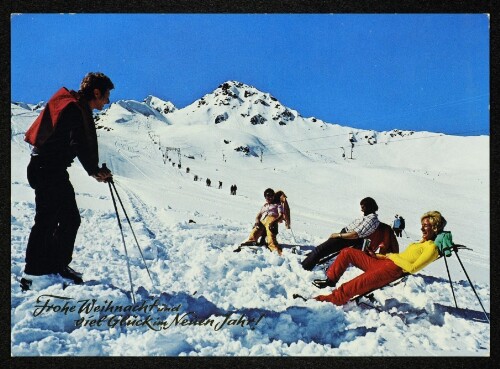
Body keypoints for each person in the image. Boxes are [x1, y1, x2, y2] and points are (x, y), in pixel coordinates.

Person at [22, 72, 114, 285]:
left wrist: (94, 170)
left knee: (60, 219)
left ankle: (48, 266)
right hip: (47, 170)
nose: (107, 101)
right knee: (52, 220)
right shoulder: (74, 110)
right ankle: (37, 271)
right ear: (96, 92)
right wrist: (93, 170)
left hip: (47, 168)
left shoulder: (74, 106)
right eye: (106, 96)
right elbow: (78, 143)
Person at [313, 211, 445, 305]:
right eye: (422, 225)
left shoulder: (431, 248)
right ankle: (330, 279)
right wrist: (378, 256)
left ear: (435, 227)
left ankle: (332, 300)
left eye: (426, 226)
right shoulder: (421, 243)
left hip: (391, 271)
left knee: (353, 285)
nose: (422, 228)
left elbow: (412, 268)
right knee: (347, 252)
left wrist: (391, 256)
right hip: (385, 263)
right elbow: (400, 257)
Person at [301, 197, 380, 270]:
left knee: (320, 250)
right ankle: (310, 259)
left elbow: (355, 234)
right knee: (323, 249)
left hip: (347, 238)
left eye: (363, 207)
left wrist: (339, 235)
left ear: (369, 207)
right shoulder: (369, 217)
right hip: (346, 236)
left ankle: (304, 267)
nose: (361, 210)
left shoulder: (371, 219)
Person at [241, 188, 284, 255]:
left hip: (272, 218)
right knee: (256, 229)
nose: (269, 198)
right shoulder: (265, 205)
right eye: (267, 196)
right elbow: (259, 214)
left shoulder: (277, 205)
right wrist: (257, 221)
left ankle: (273, 247)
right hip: (264, 220)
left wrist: (274, 222)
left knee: (270, 232)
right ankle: (251, 241)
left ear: (273, 196)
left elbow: (281, 215)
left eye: (271, 196)